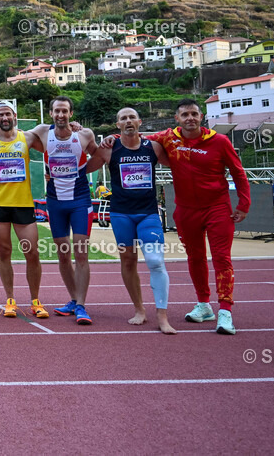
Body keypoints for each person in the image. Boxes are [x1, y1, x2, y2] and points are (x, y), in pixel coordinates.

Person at [142, 99, 250, 335]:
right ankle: (203, 304)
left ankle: (225, 311)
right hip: (186, 210)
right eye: (185, 114)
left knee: (222, 258)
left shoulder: (219, 141)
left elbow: (238, 173)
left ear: (201, 117)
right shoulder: (169, 138)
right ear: (177, 118)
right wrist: (112, 137)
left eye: (194, 114)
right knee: (195, 257)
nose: (190, 118)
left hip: (217, 208)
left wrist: (243, 204)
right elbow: (138, 137)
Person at [87, 107, 176, 334]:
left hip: (148, 214)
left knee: (155, 261)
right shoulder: (109, 149)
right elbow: (85, 169)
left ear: (139, 122)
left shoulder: (153, 148)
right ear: (117, 125)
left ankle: (162, 316)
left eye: (131, 117)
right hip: (121, 215)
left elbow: (178, 164)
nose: (128, 121)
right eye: (123, 118)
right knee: (128, 261)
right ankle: (139, 309)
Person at [0, 100, 48, 318]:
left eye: (7, 114)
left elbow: (51, 133)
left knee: (32, 252)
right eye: (0, 115)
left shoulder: (27, 138)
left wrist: (75, 127)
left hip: (23, 204)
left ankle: (35, 301)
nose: (4, 118)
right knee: (4, 252)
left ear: (15, 116)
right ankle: (10, 300)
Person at [38, 96, 99, 325]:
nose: (60, 115)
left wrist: (82, 172)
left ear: (71, 114)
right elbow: (16, 138)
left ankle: (82, 305)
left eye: (64, 111)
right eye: (56, 111)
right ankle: (74, 300)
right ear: (51, 113)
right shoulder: (43, 133)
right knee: (63, 255)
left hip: (79, 201)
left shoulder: (83, 135)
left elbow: (100, 155)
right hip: (55, 202)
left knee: (81, 254)